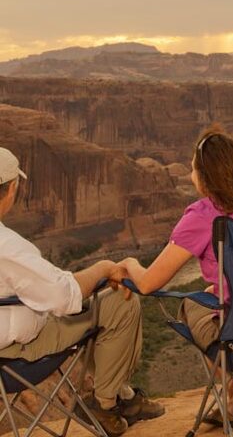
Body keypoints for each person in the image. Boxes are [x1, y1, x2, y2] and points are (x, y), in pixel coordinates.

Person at [120, 125, 233, 427]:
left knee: (195, 304)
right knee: (223, 304)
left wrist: (129, 263)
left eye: (193, 168)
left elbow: (149, 283)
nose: (190, 174)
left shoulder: (204, 215)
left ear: (206, 175)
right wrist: (223, 286)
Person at [0, 147, 164, 436]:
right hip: (15, 353)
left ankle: (121, 395)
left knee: (91, 307)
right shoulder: (6, 245)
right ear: (11, 188)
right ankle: (105, 405)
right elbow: (63, 297)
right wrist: (102, 268)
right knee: (118, 302)